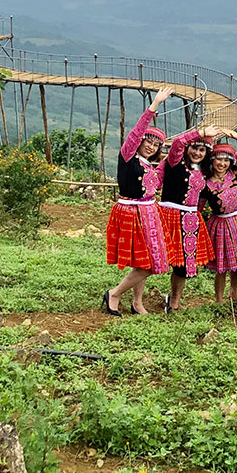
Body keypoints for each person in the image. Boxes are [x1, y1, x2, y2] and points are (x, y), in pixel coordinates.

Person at [103, 87, 178, 316]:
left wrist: (198, 136)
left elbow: (174, 155)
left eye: (156, 145)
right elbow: (136, 132)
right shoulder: (128, 156)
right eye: (149, 142)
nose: (151, 147)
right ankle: (114, 294)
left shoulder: (151, 167)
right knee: (149, 264)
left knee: (142, 261)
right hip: (131, 213)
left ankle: (137, 303)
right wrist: (154, 104)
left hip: (148, 214)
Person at [159, 124, 218, 313]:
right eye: (194, 148)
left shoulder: (205, 172)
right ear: (187, 148)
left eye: (202, 149)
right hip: (168, 216)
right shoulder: (175, 162)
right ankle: (136, 300)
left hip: (190, 221)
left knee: (182, 265)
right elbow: (177, 142)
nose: (197, 153)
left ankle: (174, 301)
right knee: (153, 259)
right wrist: (200, 133)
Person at [200, 130, 237, 305]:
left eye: (226, 160)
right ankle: (218, 298)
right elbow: (199, 206)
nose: (223, 163)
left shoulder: (235, 171)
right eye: (219, 159)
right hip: (220, 224)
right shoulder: (205, 183)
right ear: (212, 160)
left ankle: (234, 291)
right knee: (222, 264)